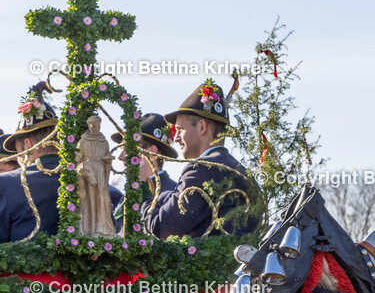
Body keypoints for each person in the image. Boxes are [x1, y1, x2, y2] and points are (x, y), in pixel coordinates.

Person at [0, 82, 121, 242]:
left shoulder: (6, 185)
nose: (18, 157)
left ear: (28, 145)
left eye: (18, 150)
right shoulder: (100, 185)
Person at [147, 79, 259, 238]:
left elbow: (161, 228)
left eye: (180, 129)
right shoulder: (241, 169)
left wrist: (144, 196)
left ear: (201, 127)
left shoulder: (202, 169)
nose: (177, 138)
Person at [111, 113, 177, 230]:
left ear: (152, 153)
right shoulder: (130, 191)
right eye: (122, 149)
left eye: (129, 149)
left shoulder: (170, 194)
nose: (121, 157)